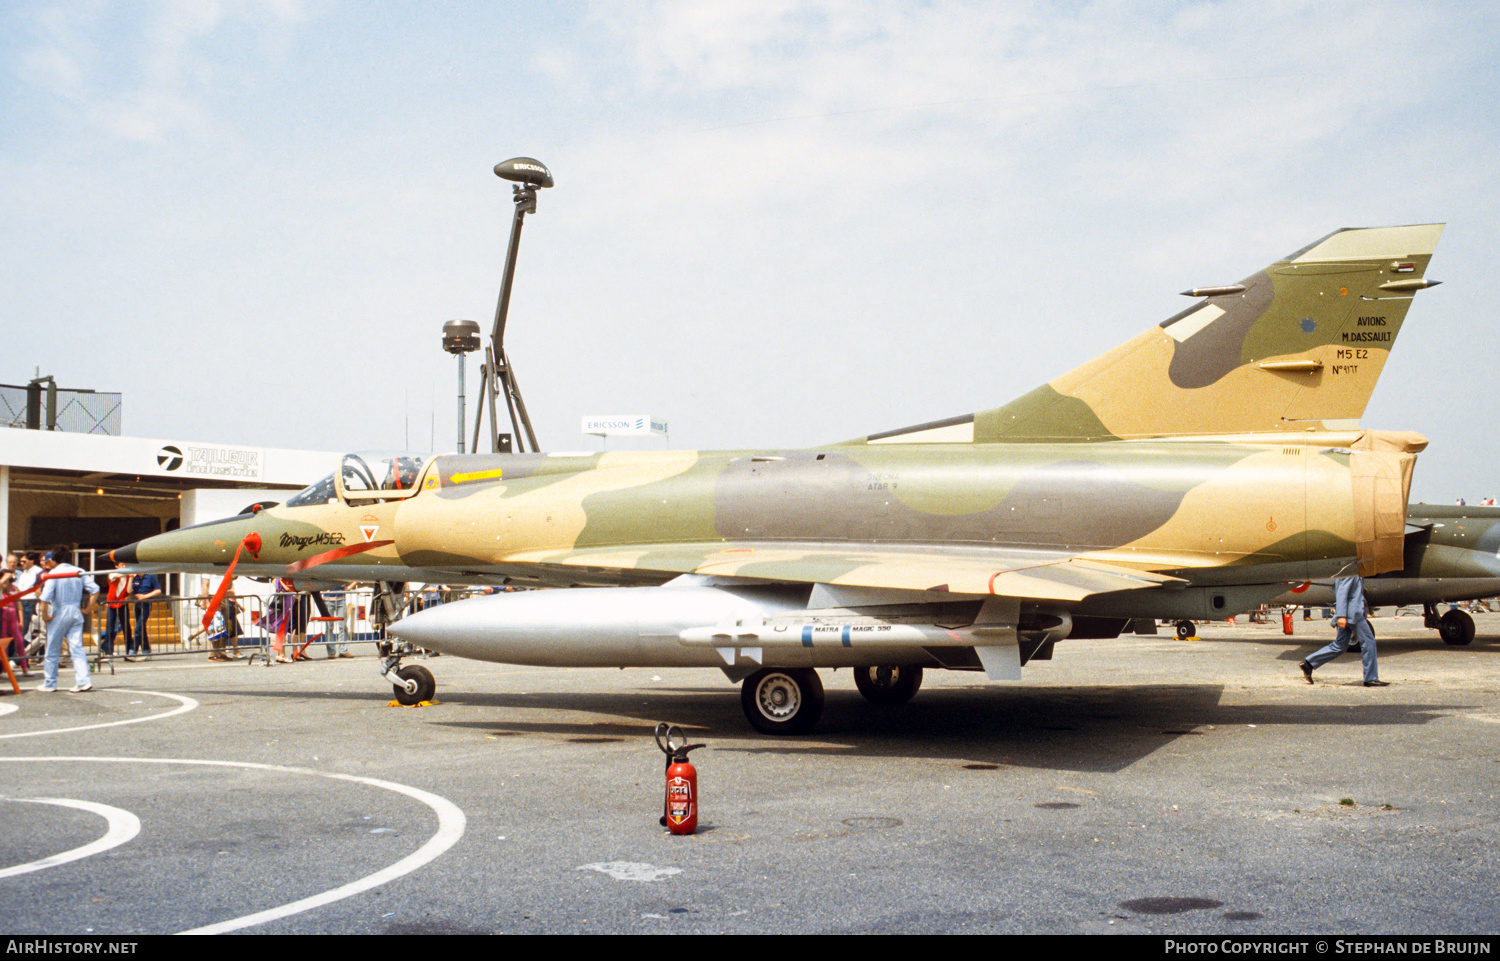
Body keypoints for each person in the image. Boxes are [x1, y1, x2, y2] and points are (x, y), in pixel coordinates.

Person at [1299, 574, 1387, 687]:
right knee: (1369, 641)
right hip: (1352, 614)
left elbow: (1356, 595)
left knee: (1340, 645)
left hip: (1351, 613)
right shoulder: (1350, 571)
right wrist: (1341, 616)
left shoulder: (1352, 570)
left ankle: (1308, 664)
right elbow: (1342, 593)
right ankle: (1370, 678)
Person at [37, 546, 99, 693]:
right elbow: (95, 589)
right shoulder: (79, 571)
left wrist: (44, 615)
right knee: (77, 648)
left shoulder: (53, 573)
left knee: (52, 649)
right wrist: (87, 609)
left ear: (54, 560)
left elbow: (45, 598)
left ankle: (50, 683)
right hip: (76, 610)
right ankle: (83, 681)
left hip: (60, 611)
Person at [126, 570, 163, 661]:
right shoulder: (135, 578)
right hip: (138, 605)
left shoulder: (150, 576)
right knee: (141, 627)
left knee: (138, 628)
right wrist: (130, 578)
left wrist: (145, 596)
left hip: (146, 604)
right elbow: (129, 590)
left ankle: (132, 651)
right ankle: (146, 651)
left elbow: (158, 590)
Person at [1, 553, 28, 676]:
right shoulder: (1, 588)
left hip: (13, 617)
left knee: (20, 641)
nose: (10, 583)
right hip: (3, 617)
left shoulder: (15, 589)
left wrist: (21, 621)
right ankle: (5, 668)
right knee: (3, 644)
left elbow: (19, 606)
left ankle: (24, 667)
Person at [100, 562, 133, 658]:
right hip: (111, 603)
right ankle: (108, 651)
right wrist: (129, 573)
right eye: (122, 564)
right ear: (116, 566)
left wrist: (131, 578)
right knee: (110, 627)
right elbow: (115, 576)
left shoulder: (127, 576)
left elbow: (129, 590)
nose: (124, 566)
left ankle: (129, 650)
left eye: (125, 564)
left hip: (122, 603)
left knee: (126, 627)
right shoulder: (113, 573)